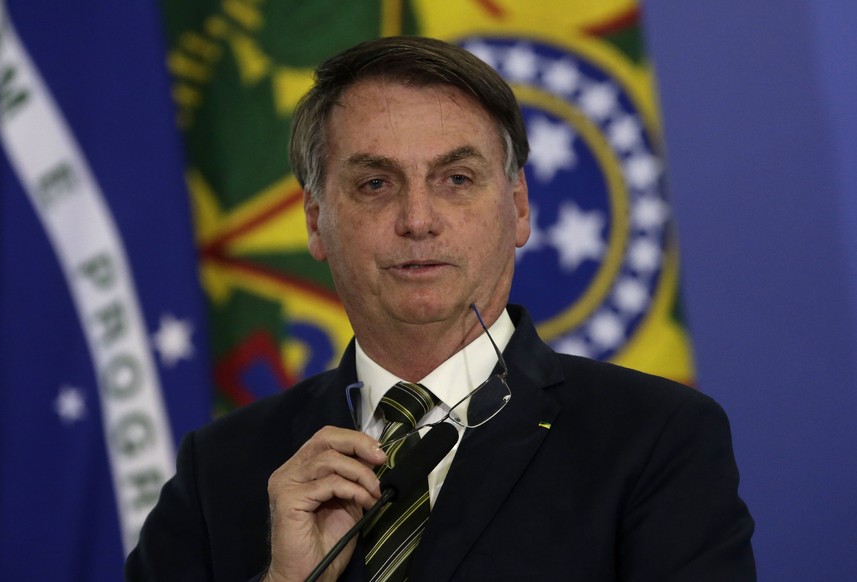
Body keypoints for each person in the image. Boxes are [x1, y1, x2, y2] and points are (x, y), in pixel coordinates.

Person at [126, 36, 755, 582]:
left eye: (456, 179)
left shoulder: (655, 438)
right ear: (317, 222)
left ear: (519, 208)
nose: (418, 220)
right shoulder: (219, 471)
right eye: (375, 184)